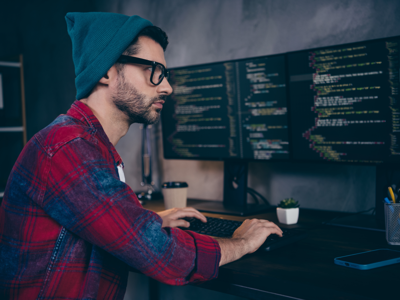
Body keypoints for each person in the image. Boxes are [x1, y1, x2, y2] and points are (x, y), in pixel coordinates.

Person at [0, 12, 282, 299]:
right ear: (107, 71)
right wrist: (242, 241)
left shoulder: (89, 145)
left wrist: (149, 221)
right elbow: (165, 256)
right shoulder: (68, 147)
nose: (167, 87)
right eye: (154, 70)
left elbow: (95, 220)